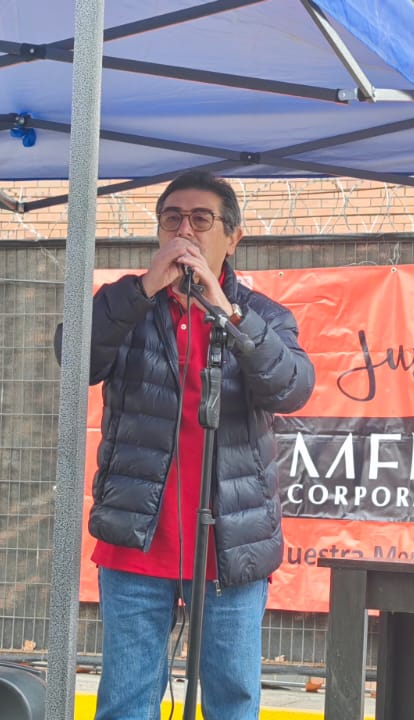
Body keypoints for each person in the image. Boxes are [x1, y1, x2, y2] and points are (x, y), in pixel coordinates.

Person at [63, 170, 315, 720]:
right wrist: (141, 290)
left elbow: (292, 388)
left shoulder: (263, 315)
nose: (184, 231)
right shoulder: (125, 304)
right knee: (126, 701)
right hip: (138, 538)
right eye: (172, 219)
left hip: (230, 543)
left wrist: (228, 312)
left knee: (232, 700)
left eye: (201, 219)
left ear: (232, 237)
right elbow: (74, 359)